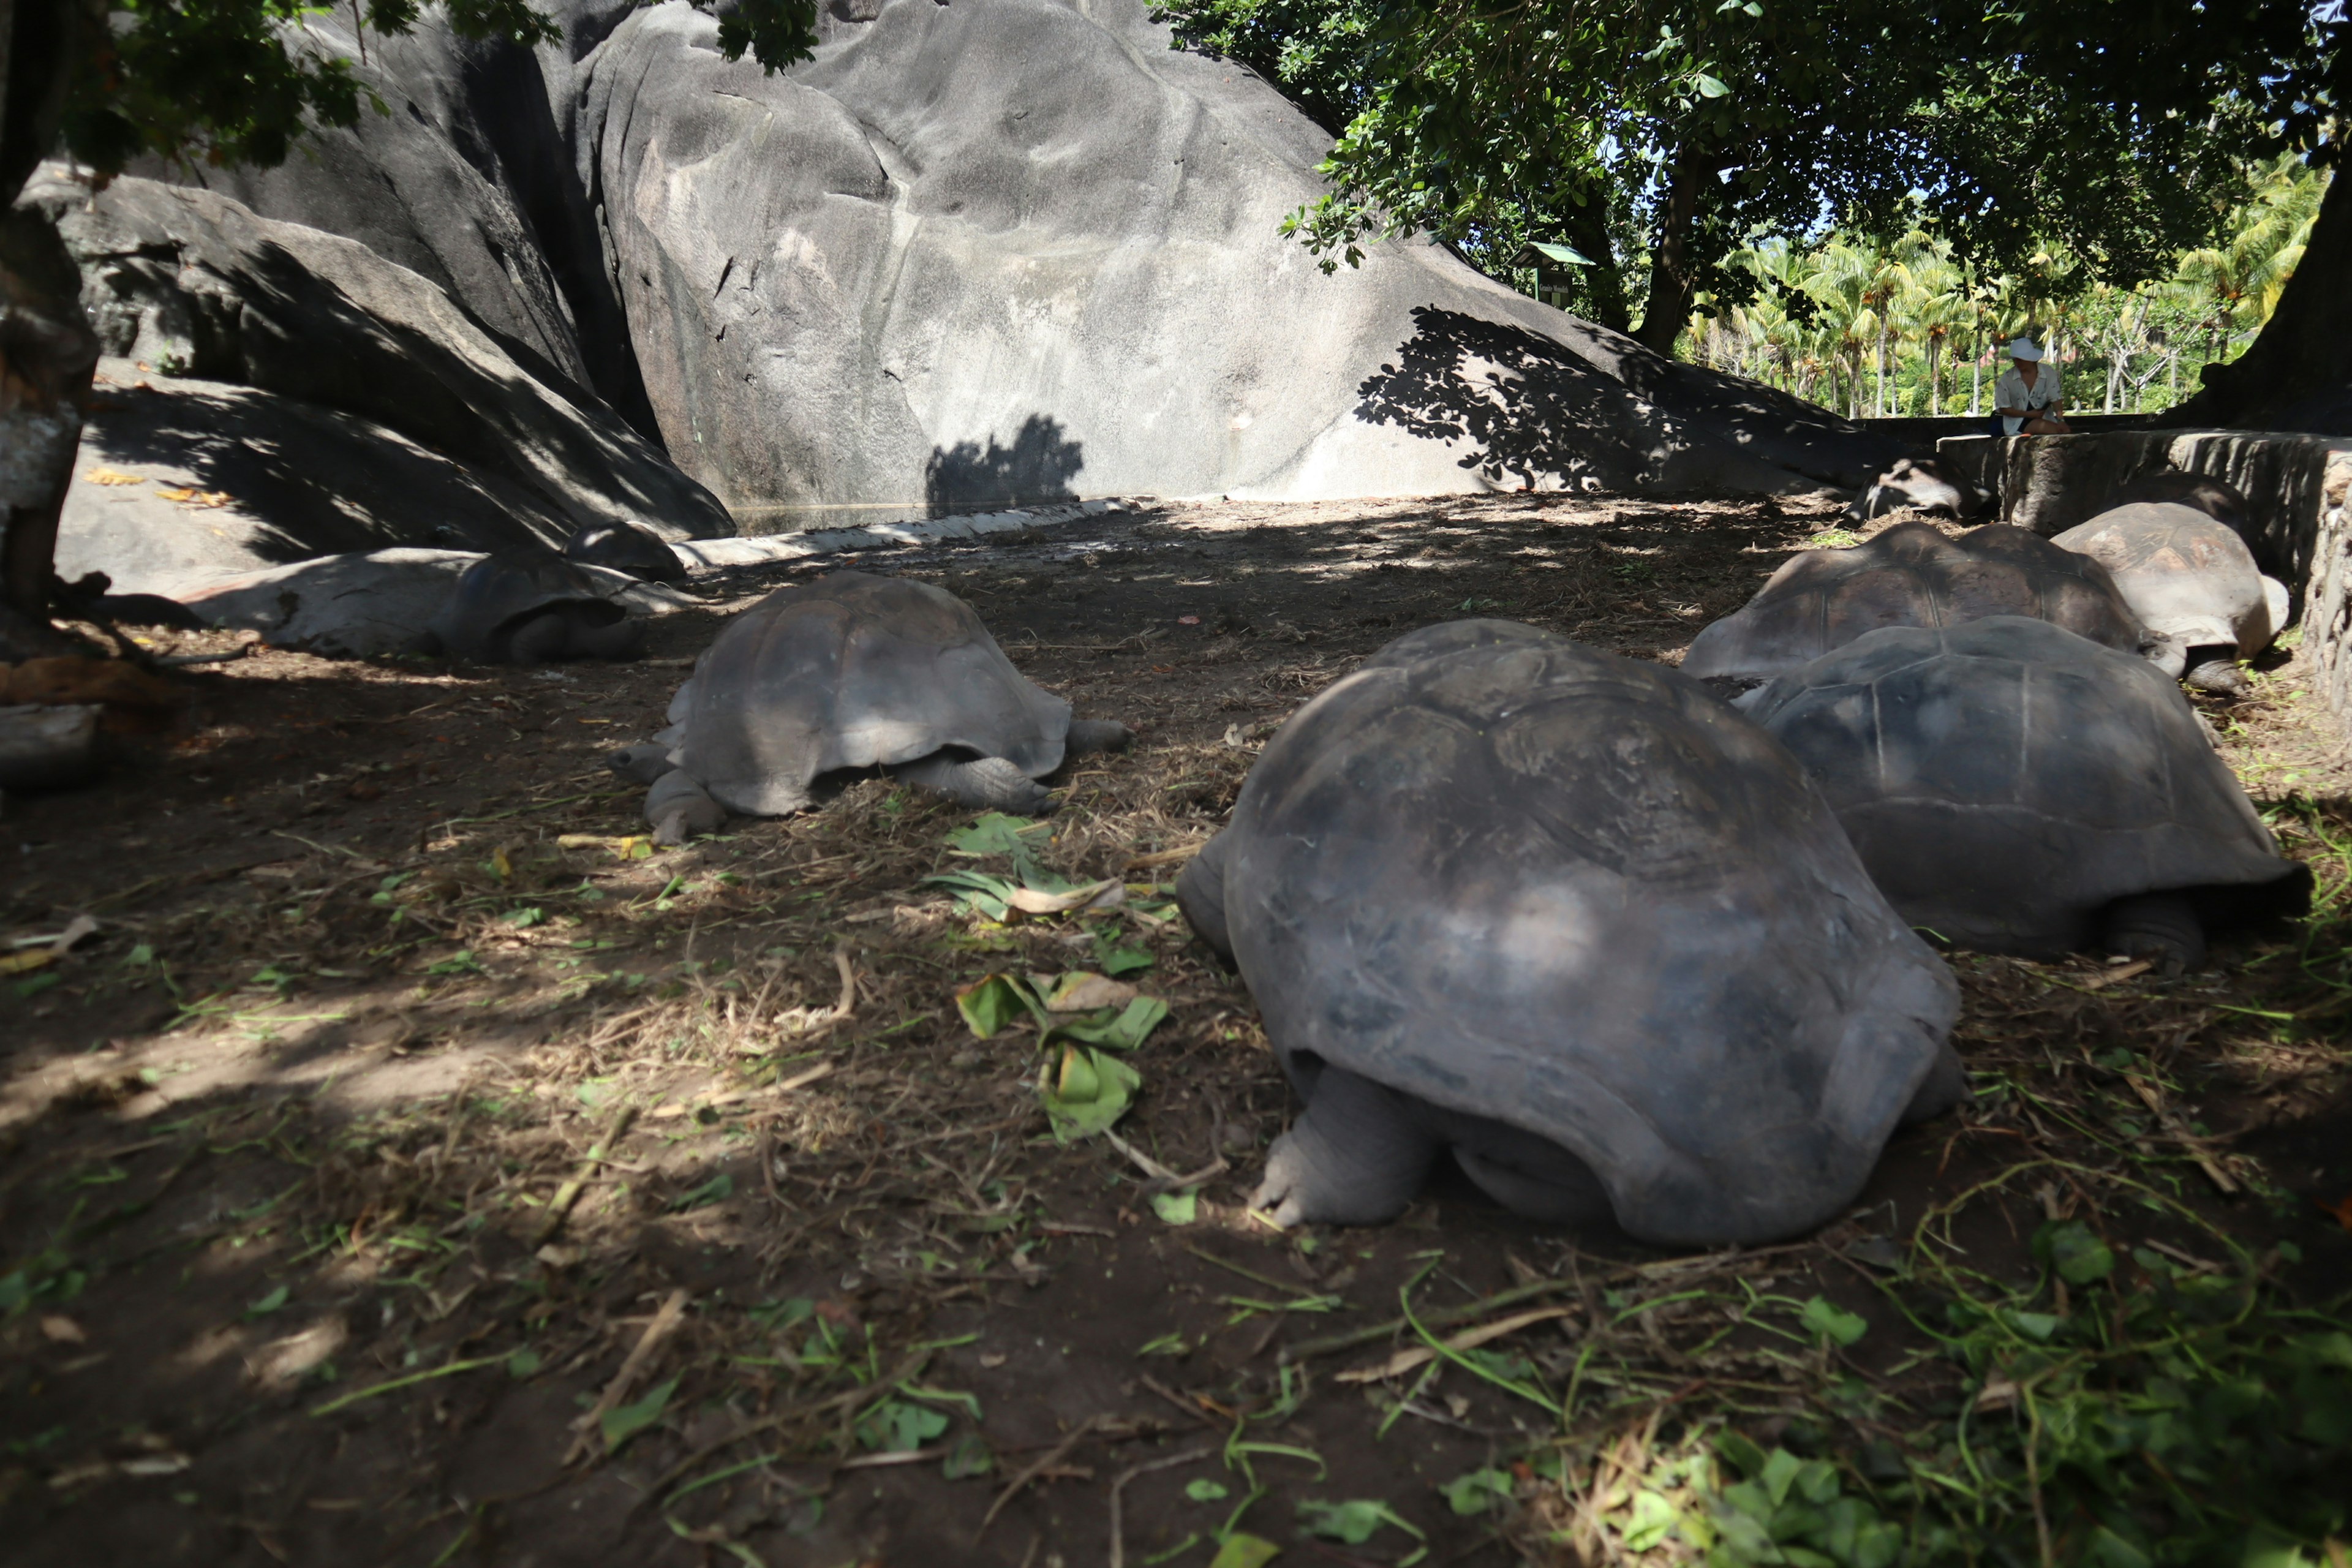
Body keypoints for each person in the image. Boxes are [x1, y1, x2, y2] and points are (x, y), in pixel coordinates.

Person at [1990, 337, 2070, 436]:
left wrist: (2061, 419)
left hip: (2043, 419)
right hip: (2015, 423)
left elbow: (2055, 397)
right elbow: (2003, 408)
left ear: (2030, 358)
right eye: (2015, 360)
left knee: (2062, 431)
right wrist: (2029, 415)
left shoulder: (2048, 372)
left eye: (2021, 359)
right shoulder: (2007, 378)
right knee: (2056, 431)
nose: (2017, 363)